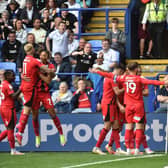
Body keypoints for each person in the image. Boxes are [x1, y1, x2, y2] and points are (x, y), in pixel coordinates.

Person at [90, 62, 168, 155]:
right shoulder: (139, 79)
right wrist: (163, 82)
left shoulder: (123, 78)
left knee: (125, 127)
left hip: (127, 106)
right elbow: (152, 82)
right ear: (135, 69)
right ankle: (136, 148)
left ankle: (125, 148)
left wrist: (97, 72)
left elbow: (108, 75)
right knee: (138, 126)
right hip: (131, 105)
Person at [15, 43, 54, 146]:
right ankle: (20, 131)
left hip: (24, 85)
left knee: (27, 108)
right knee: (27, 109)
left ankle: (20, 129)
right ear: (32, 50)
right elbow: (46, 69)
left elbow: (25, 71)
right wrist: (52, 71)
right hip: (30, 87)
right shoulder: (34, 60)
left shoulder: (25, 59)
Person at [29, 50, 66, 148]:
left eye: (44, 55)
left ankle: (61, 134)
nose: (42, 57)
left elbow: (48, 81)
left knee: (52, 113)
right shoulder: (36, 65)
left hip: (45, 93)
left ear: (48, 56)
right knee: (35, 116)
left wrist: (40, 73)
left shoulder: (51, 66)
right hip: (35, 93)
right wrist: (45, 73)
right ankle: (37, 136)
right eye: (41, 55)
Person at [92, 65, 126, 155]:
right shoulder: (111, 78)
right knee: (107, 126)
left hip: (112, 104)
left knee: (115, 126)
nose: (120, 75)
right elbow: (117, 92)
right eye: (121, 73)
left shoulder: (110, 77)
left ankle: (118, 148)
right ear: (118, 70)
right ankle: (96, 147)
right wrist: (126, 87)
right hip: (107, 104)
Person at [0, 70, 24, 155]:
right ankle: (13, 150)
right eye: (12, 76)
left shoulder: (3, 84)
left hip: (3, 107)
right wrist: (21, 89)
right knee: (10, 129)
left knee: (9, 128)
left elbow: (13, 96)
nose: (14, 77)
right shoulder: (7, 85)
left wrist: (21, 101)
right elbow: (13, 96)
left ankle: (13, 150)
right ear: (7, 77)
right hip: (8, 108)